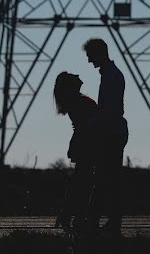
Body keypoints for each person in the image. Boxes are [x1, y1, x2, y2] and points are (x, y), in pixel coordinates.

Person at [83, 37, 129, 234]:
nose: (89, 61)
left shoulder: (112, 76)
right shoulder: (111, 74)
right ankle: (104, 221)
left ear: (99, 53)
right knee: (108, 179)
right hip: (113, 132)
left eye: (90, 56)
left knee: (104, 179)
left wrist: (90, 124)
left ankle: (97, 221)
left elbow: (108, 110)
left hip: (111, 133)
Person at [53, 71, 98, 231]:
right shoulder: (79, 101)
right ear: (71, 84)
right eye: (73, 76)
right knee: (83, 183)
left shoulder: (77, 101)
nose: (78, 75)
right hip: (86, 145)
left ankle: (70, 215)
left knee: (81, 182)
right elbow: (88, 125)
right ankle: (74, 216)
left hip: (83, 144)